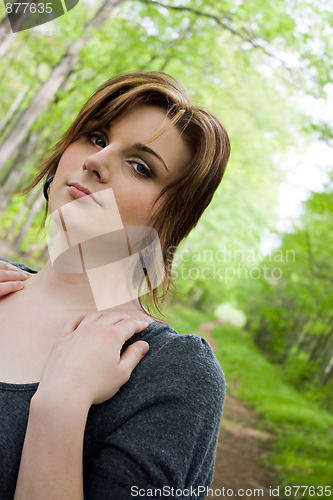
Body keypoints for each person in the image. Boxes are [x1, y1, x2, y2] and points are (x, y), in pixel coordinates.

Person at [0, 71, 230, 500]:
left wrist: (61, 408)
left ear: (174, 220)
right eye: (97, 138)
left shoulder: (172, 374)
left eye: (140, 166)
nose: (96, 161)